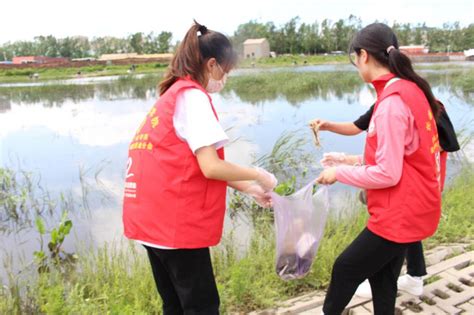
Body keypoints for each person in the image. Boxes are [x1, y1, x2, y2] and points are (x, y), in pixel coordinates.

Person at [122, 21, 277, 315]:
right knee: (202, 307)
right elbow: (210, 166)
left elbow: (190, 162)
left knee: (175, 305)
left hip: (148, 222)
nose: (225, 79)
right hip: (174, 226)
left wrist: (249, 188)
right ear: (212, 64)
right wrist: (258, 174)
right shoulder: (193, 98)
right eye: (226, 71)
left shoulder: (171, 96)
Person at [316, 23, 444, 315]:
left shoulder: (391, 103)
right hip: (414, 207)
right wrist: (348, 160)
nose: (356, 66)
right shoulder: (409, 90)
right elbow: (401, 158)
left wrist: (338, 174)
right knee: (383, 278)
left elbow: (388, 173)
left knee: (345, 268)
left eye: (354, 59)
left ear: (363, 56)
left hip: (399, 214)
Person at [310, 101, 459, 298]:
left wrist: (343, 169)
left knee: (352, 262)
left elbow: (398, 160)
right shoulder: (390, 99)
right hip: (412, 187)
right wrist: (331, 132)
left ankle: (399, 279)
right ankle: (414, 277)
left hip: (414, 188)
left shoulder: (412, 104)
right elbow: (359, 127)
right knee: (407, 230)